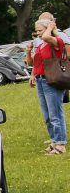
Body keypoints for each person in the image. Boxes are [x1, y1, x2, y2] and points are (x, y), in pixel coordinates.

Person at [26, 18, 67, 155]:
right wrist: (33, 75)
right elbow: (33, 63)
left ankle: (60, 144)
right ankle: (54, 141)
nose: (38, 33)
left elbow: (46, 36)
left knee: (55, 114)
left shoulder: (56, 42)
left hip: (52, 81)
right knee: (47, 115)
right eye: (36, 30)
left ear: (47, 30)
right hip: (41, 81)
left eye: (40, 30)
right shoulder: (42, 44)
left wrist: (50, 27)